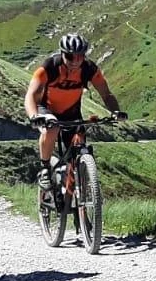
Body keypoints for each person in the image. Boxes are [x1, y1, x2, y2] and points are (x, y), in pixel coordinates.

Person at [24, 33, 127, 189]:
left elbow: (106, 94)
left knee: (80, 145)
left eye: (80, 56)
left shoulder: (89, 69)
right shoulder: (49, 67)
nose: (75, 61)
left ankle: (79, 189)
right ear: (62, 53)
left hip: (72, 113)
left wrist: (115, 111)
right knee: (52, 129)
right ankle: (45, 168)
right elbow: (31, 95)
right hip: (47, 109)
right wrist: (34, 116)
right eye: (70, 56)